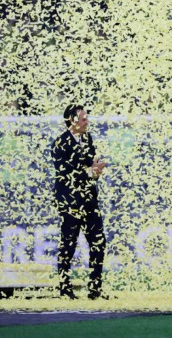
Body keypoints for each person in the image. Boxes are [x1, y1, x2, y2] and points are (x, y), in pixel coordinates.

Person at [52, 104, 107, 300]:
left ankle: (94, 289)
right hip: (70, 202)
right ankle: (65, 288)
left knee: (99, 243)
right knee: (68, 244)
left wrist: (96, 170)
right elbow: (64, 174)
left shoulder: (88, 139)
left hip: (89, 200)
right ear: (71, 120)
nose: (86, 122)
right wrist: (89, 172)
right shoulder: (60, 143)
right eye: (83, 119)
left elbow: (90, 167)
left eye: (86, 118)